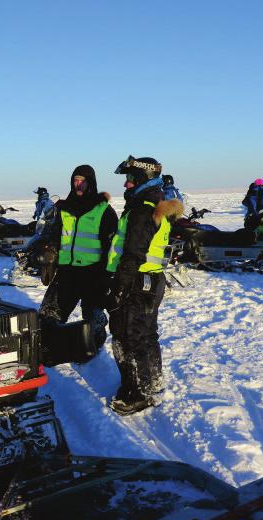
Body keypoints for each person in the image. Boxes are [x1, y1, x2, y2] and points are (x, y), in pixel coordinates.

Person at [106, 155, 183, 415]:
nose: (126, 185)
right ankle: (151, 384)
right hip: (150, 279)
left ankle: (138, 392)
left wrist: (119, 287)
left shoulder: (142, 208)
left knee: (128, 335)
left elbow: (133, 252)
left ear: (142, 178)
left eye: (130, 179)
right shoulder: (154, 203)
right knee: (146, 334)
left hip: (137, 280)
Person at [38, 165, 118, 352]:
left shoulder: (103, 210)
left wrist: (108, 274)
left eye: (82, 180)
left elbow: (112, 245)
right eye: (75, 180)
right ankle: (46, 348)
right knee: (49, 313)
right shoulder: (64, 208)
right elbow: (52, 235)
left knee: (93, 318)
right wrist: (49, 255)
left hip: (93, 273)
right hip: (66, 271)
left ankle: (92, 351)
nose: (78, 184)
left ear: (91, 182)